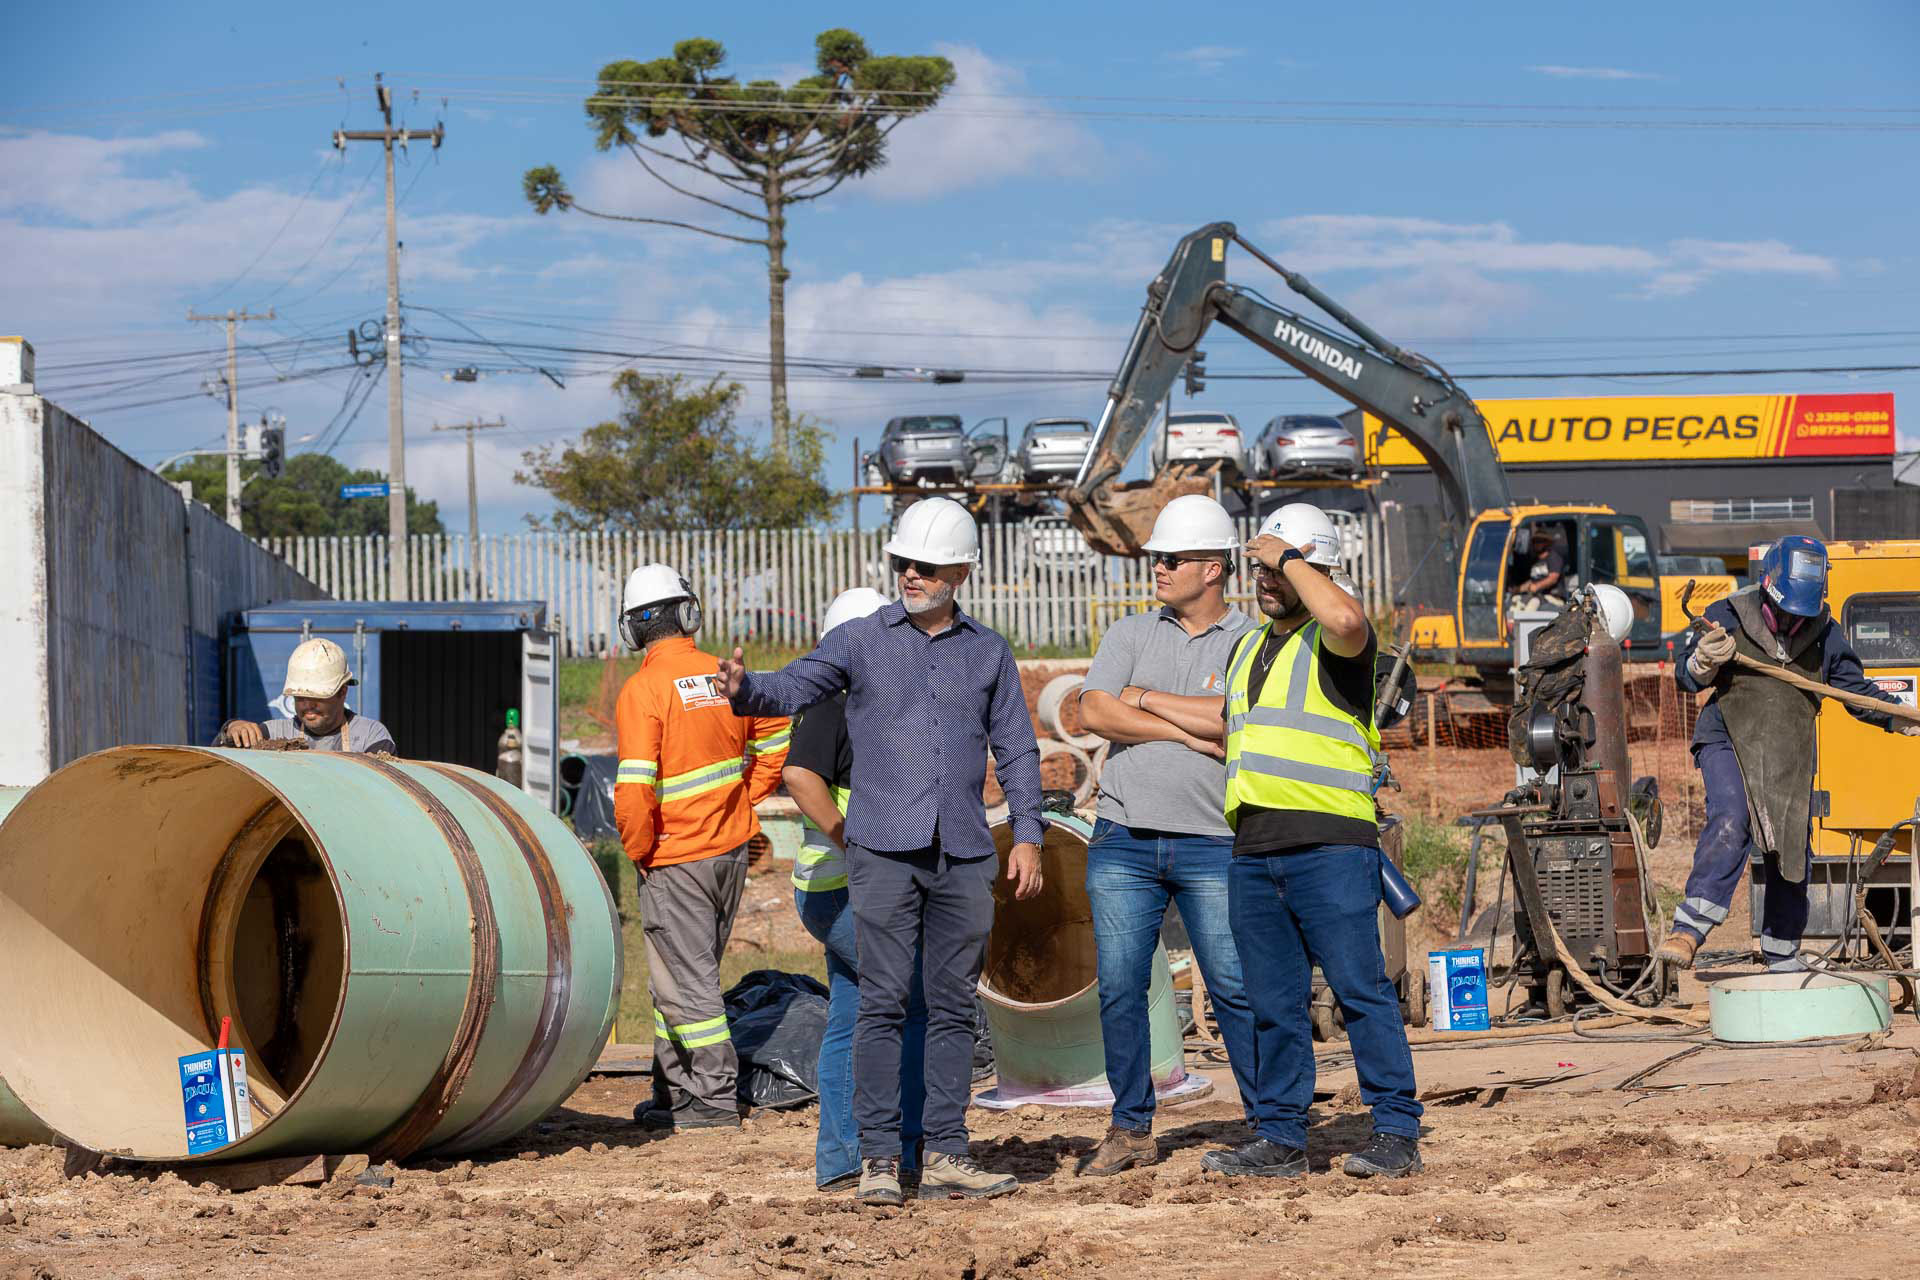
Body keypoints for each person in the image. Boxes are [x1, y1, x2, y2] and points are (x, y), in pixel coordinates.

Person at [717, 496, 1044, 1207]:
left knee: (954, 1009)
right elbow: (796, 683)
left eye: (926, 566)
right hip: (882, 853)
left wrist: (1028, 834)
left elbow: (1017, 746)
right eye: (903, 563)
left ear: (960, 570)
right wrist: (748, 690)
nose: (911, 575)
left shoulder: (988, 651)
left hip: (961, 851)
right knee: (883, 1007)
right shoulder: (862, 640)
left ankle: (949, 1155)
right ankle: (876, 1163)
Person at [1202, 502, 1423, 1181]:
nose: (1266, 579)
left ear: (1314, 568)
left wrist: (1288, 557)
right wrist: (1143, 707)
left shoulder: (1341, 641)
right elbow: (1235, 733)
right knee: (1271, 1002)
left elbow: (1349, 619)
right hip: (1254, 848)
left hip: (1330, 845)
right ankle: (1281, 1137)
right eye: (1262, 569)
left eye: (1280, 567)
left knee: (1361, 990)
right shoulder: (1247, 650)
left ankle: (1395, 1132)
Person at [1072, 495, 1261, 1176]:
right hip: (1122, 835)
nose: (1158, 566)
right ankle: (1129, 1130)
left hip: (1213, 838)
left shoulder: (1249, 641)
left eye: (1172, 558)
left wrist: (1143, 698)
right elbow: (1095, 709)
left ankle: (1268, 1124)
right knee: (1120, 987)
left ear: (1213, 568)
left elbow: (1233, 720)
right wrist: (1181, 724)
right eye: (1157, 556)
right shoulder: (1130, 632)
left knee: (1235, 984)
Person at [1656, 536, 1916, 972]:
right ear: (1769, 589)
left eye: (1800, 614)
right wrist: (1702, 663)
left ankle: (1781, 951)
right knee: (1733, 818)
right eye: (1784, 611)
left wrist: (1898, 717)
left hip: (1787, 752)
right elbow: (1687, 676)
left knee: (1791, 844)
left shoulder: (1827, 635)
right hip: (1727, 740)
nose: (1790, 620)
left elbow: (1855, 693)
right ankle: (1689, 928)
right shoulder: (1728, 615)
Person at [614, 563, 791, 1133]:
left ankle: (710, 1101)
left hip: (675, 856)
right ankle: (674, 1089)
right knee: (678, 977)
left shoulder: (643, 689)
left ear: (635, 628)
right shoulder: (721, 675)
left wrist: (640, 850)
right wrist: (749, 792)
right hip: (729, 850)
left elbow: (636, 788)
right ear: (687, 612)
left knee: (687, 984)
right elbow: (775, 726)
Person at [784, 587, 929, 1192]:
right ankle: (904, 1148)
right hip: (848, 888)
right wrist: (854, 840)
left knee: (852, 1012)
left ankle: (842, 1156)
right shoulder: (835, 699)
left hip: (838, 888)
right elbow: (798, 775)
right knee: (910, 1006)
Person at [218, 637, 396, 753]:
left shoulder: (370, 736)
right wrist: (231, 729)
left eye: (318, 697)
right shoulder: (271, 733)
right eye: (300, 697)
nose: (308, 705)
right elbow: (217, 763)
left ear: (342, 692)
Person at [1508, 524, 1569, 612]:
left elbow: (1553, 577)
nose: (1537, 544)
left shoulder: (1553, 557)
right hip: (1538, 597)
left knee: (1533, 603)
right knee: (1515, 602)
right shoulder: (1536, 561)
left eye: (1540, 541)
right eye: (1535, 541)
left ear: (1546, 542)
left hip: (1554, 599)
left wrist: (1537, 586)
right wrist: (1517, 589)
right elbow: (1532, 582)